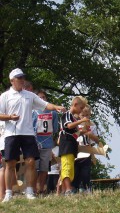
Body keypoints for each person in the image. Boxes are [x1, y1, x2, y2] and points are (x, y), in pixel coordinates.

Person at [0, 68, 65, 202]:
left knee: (31, 162)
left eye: (23, 77)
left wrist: (57, 107)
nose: (22, 80)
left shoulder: (30, 95)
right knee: (10, 164)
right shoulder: (5, 96)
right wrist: (9, 117)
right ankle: (8, 193)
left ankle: (30, 191)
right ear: (12, 81)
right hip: (11, 133)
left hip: (28, 133)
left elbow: (46, 105)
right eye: (19, 78)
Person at [59, 96, 89, 195]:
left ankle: (65, 189)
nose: (81, 111)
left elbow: (75, 132)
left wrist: (82, 131)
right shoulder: (67, 114)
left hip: (71, 144)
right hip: (66, 143)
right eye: (81, 108)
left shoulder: (72, 117)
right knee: (66, 166)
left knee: (70, 168)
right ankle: (68, 189)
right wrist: (81, 121)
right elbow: (69, 126)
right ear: (75, 104)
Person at [32, 90, 59, 194]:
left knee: (44, 168)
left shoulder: (53, 113)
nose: (42, 99)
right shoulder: (32, 112)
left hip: (47, 143)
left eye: (44, 97)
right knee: (33, 167)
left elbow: (55, 128)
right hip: (34, 143)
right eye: (40, 98)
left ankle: (40, 189)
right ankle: (32, 189)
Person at [72, 105, 101, 193]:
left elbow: (97, 139)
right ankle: (74, 189)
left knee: (85, 173)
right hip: (76, 152)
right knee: (75, 172)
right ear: (78, 115)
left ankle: (86, 188)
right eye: (83, 115)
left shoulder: (92, 125)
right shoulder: (75, 124)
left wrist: (89, 134)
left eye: (87, 115)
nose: (85, 117)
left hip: (87, 151)